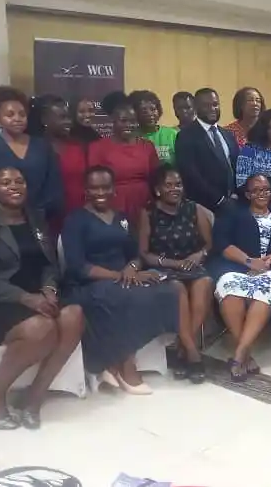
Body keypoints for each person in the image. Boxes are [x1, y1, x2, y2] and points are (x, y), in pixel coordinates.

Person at [0, 167, 83, 430]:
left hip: (34, 296)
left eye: (19, 181)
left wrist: (49, 289)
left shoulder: (36, 219)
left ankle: (34, 397)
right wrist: (26, 298)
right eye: (5, 183)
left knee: (74, 317)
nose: (14, 186)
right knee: (42, 327)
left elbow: (49, 264)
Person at [61, 166, 181, 394]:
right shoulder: (75, 220)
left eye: (105, 187)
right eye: (94, 188)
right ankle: (126, 365)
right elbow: (78, 266)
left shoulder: (121, 217)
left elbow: (135, 254)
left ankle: (115, 361)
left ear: (113, 189)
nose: (100, 192)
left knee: (166, 290)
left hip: (123, 280)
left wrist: (132, 268)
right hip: (88, 284)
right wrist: (120, 275)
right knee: (122, 296)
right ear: (85, 190)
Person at [208, 174, 271, 382]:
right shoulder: (233, 213)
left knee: (266, 289)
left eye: (266, 190)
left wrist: (270, 259)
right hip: (237, 267)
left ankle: (239, 355)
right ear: (248, 194)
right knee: (229, 287)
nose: (262, 194)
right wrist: (249, 262)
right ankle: (245, 353)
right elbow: (221, 244)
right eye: (256, 190)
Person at [138, 165, 214, 383]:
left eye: (178, 184)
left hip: (192, 266)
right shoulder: (148, 213)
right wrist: (173, 263)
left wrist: (199, 255)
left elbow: (208, 244)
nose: (175, 189)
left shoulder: (194, 209)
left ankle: (182, 349)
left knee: (205, 282)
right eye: (168, 185)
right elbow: (143, 253)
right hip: (162, 268)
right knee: (177, 289)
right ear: (158, 190)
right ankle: (192, 353)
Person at [0, 87, 63, 219]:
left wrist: (37, 214)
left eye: (22, 114)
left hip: (38, 220)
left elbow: (53, 187)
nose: (17, 119)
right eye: (10, 115)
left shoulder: (42, 146)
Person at [88, 91, 160, 227]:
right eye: (123, 121)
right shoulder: (97, 147)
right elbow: (94, 182)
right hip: (112, 203)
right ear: (113, 121)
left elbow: (155, 178)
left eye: (133, 121)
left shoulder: (147, 146)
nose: (128, 125)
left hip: (144, 204)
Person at [29, 95, 98, 233]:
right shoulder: (34, 148)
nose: (68, 122)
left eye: (68, 117)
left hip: (79, 215)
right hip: (47, 220)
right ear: (44, 120)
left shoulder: (79, 146)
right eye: (62, 117)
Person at [175, 87, 240, 213]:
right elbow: (190, 174)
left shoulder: (228, 135)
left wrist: (237, 194)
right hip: (204, 207)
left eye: (215, 104)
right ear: (196, 108)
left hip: (233, 203)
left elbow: (236, 167)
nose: (212, 109)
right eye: (206, 105)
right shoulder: (186, 136)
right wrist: (219, 199)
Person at [131, 90, 179, 164]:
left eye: (153, 109)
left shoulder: (173, 134)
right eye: (144, 111)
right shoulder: (132, 137)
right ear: (135, 113)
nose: (150, 114)